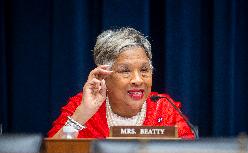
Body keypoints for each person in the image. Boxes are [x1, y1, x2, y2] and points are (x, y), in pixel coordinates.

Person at [48, 27, 195, 139]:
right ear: (103, 75)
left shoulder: (165, 108)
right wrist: (83, 114)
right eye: (125, 71)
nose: (138, 80)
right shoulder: (81, 106)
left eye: (144, 70)